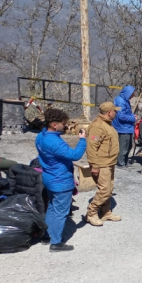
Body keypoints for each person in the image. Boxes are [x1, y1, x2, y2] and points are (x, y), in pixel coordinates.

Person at [35, 108, 87, 252]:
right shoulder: (55, 142)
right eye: (63, 123)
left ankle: (47, 235)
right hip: (60, 181)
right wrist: (82, 140)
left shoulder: (40, 136)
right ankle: (56, 243)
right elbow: (75, 155)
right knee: (60, 212)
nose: (66, 126)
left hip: (49, 177)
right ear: (54, 125)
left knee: (52, 207)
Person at [86, 102, 122, 226]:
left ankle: (106, 212)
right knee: (105, 190)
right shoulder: (98, 126)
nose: (116, 113)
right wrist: (95, 165)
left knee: (109, 189)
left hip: (109, 162)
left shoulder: (108, 124)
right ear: (109, 112)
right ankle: (91, 213)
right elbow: (91, 147)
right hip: (101, 164)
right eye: (115, 111)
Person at [111, 85, 137, 170]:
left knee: (129, 146)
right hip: (122, 127)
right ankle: (120, 163)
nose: (134, 95)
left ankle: (125, 161)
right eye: (132, 93)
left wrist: (132, 115)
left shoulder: (125, 100)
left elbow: (126, 113)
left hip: (127, 127)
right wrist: (133, 118)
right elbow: (121, 116)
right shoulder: (120, 101)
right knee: (123, 147)